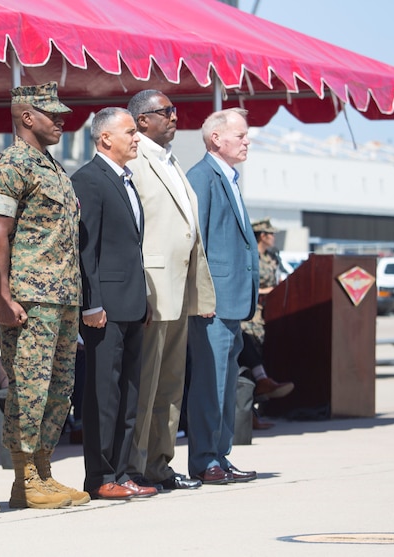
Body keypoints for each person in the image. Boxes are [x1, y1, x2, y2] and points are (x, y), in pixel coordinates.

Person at [0, 81, 87, 509]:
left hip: (62, 297)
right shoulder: (10, 166)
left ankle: (44, 469)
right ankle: (24, 478)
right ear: (27, 117)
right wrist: (4, 296)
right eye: (52, 113)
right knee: (28, 388)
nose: (61, 120)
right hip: (30, 299)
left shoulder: (52, 167)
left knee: (58, 390)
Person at [125, 90, 216, 492]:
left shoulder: (171, 160)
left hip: (179, 289)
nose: (175, 117)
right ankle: (137, 464)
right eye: (166, 112)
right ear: (142, 120)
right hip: (153, 287)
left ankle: (161, 463)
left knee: (171, 383)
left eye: (174, 110)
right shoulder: (135, 159)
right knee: (147, 383)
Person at [71, 107, 155, 500]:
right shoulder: (90, 179)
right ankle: (100, 475)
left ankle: (122, 472)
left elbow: (130, 248)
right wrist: (91, 303)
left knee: (129, 394)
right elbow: (87, 250)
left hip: (132, 304)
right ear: (105, 138)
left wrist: (144, 298)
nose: (137, 137)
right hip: (104, 308)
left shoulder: (125, 180)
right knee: (104, 395)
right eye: (130, 131)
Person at [185, 108, 259, 485]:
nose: (247, 141)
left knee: (226, 382)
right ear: (217, 139)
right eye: (240, 135)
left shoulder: (229, 177)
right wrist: (203, 296)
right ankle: (204, 459)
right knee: (209, 383)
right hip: (213, 301)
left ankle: (221, 454)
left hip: (232, 301)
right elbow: (196, 243)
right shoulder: (203, 177)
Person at [241, 217, 295, 401]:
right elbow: (245, 286)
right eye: (270, 234)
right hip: (252, 313)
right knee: (250, 351)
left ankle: (261, 404)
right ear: (261, 236)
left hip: (271, 311)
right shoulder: (248, 256)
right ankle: (250, 405)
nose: (273, 237)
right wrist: (267, 291)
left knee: (265, 353)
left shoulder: (272, 257)